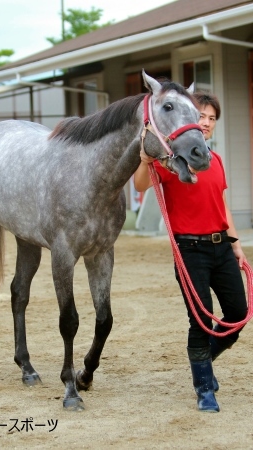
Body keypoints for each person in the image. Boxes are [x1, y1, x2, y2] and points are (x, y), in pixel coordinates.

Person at [134, 91, 248, 413]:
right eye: (202, 116)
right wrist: (145, 159)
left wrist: (236, 245)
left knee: (237, 316)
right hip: (189, 250)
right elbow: (141, 185)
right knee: (200, 321)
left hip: (221, 248)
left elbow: (223, 207)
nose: (206, 123)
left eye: (212, 118)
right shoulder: (170, 162)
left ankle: (203, 364)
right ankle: (204, 389)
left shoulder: (218, 161)